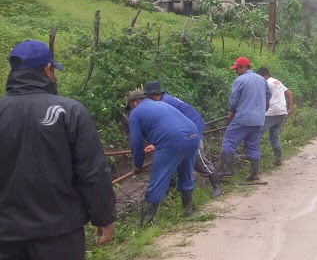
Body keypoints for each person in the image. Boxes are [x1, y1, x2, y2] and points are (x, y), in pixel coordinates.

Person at [0, 40, 117, 259]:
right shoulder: (69, 111)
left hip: (5, 237)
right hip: (60, 234)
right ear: (48, 69)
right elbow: (92, 171)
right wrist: (104, 217)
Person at [127, 89, 201, 225]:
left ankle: (146, 222)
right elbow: (169, 126)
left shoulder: (135, 113)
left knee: (158, 179)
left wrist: (138, 165)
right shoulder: (161, 104)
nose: (130, 109)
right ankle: (188, 209)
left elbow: (135, 142)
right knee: (186, 172)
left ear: (135, 102)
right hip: (193, 136)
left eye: (130, 105)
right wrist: (156, 144)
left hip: (173, 141)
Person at [143, 81, 223, 198]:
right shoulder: (163, 101)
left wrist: (156, 146)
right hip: (185, 129)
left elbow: (170, 129)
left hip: (192, 128)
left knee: (198, 158)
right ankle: (171, 194)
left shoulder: (165, 103)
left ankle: (217, 186)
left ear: (153, 94)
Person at [218, 57, 271, 181]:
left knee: (228, 141)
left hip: (243, 118)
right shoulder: (262, 80)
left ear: (244, 67)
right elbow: (268, 96)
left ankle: (226, 169)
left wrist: (231, 112)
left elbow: (234, 99)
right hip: (258, 119)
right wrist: (262, 110)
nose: (236, 71)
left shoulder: (240, 80)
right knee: (253, 145)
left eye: (237, 69)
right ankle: (254, 174)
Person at [256, 68, 294, 166]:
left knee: (255, 133)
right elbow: (289, 93)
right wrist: (289, 109)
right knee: (274, 134)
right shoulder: (277, 82)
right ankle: (278, 158)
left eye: (259, 76)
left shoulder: (266, 83)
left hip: (271, 112)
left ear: (264, 75)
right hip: (281, 112)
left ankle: (253, 158)